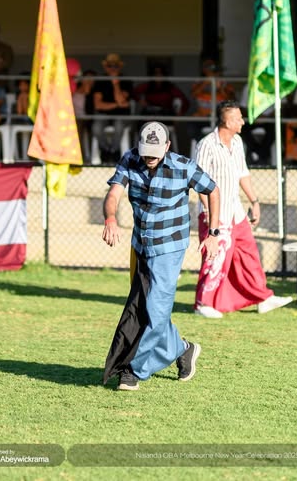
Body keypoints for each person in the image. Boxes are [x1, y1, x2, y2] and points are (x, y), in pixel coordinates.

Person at [102, 121, 220, 391]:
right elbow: (114, 193)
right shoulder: (131, 159)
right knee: (148, 307)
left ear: (167, 146)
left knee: (156, 308)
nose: (150, 157)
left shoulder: (183, 166)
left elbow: (212, 190)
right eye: (146, 151)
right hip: (141, 245)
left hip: (170, 246)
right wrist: (110, 218)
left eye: (155, 152)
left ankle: (134, 370)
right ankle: (183, 349)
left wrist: (213, 232)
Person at [194, 100, 293, 318]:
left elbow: (243, 173)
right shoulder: (206, 145)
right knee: (215, 256)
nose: (243, 122)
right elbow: (197, 181)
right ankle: (204, 303)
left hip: (236, 210)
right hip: (214, 213)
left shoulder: (237, 142)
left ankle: (263, 298)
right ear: (228, 121)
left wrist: (254, 201)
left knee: (249, 254)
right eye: (239, 118)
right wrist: (209, 213)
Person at [92, 54, 133, 163]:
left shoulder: (126, 81)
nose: (112, 68)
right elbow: (98, 105)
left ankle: (115, 151)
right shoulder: (100, 81)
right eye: (110, 66)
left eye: (115, 66)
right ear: (106, 67)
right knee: (96, 126)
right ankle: (105, 150)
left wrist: (115, 84)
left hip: (121, 115)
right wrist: (117, 104)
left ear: (119, 67)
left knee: (119, 125)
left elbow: (121, 100)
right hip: (104, 114)